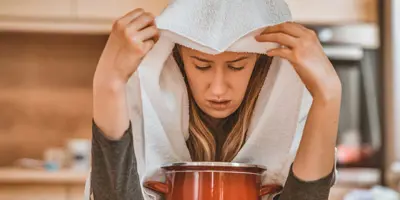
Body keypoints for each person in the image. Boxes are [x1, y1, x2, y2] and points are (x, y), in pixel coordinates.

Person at [88, 7, 341, 200]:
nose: (218, 89)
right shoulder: (148, 111)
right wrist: (108, 82)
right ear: (177, 60)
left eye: (237, 66)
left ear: (262, 64)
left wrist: (329, 94)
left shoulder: (287, 109)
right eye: (201, 65)